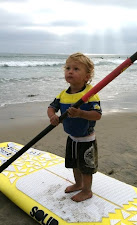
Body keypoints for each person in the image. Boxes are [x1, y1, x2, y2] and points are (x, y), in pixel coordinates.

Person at [47, 52, 102, 202]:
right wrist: (52, 116)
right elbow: (51, 108)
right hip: (71, 137)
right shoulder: (63, 94)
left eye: (76, 69)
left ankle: (87, 191)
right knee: (74, 164)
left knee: (85, 167)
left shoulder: (90, 94)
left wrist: (80, 113)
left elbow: (97, 115)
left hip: (86, 139)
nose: (70, 71)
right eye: (68, 68)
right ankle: (78, 184)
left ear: (87, 76)